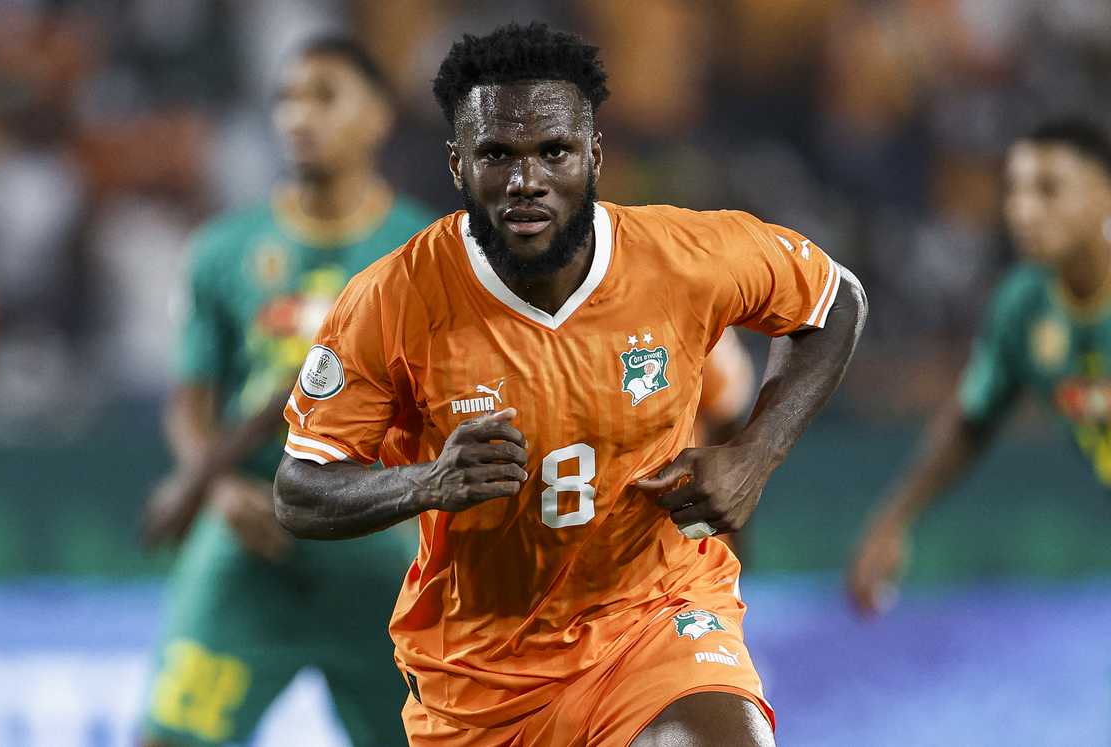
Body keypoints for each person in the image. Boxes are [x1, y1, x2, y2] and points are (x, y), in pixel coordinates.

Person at [274, 23, 866, 747]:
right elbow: (301, 487)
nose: (527, 180)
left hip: (655, 619)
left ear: (594, 153)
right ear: (458, 164)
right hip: (482, 676)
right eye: (498, 154)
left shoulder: (684, 257)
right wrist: (426, 482)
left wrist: (755, 454)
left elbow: (835, 299)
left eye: (553, 150)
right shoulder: (392, 300)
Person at [138, 35, 433, 747]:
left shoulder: (429, 252)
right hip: (250, 541)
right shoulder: (223, 249)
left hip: (381, 551)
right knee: (169, 737)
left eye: (325, 96)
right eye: (287, 99)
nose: (299, 116)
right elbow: (191, 399)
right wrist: (214, 490)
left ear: (378, 116)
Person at [848, 118, 1111, 616]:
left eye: (1048, 189)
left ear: (1102, 194)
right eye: (1014, 190)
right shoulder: (1023, 305)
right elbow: (972, 421)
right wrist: (893, 521)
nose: (1023, 210)